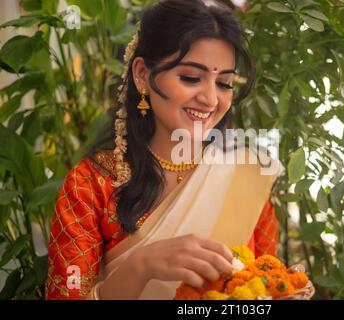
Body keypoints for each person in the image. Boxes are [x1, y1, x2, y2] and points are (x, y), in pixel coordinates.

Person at [45, 0, 282, 300]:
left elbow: (267, 291)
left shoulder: (245, 180)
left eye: (224, 83)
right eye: (191, 78)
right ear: (143, 74)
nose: (210, 99)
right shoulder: (91, 186)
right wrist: (141, 266)